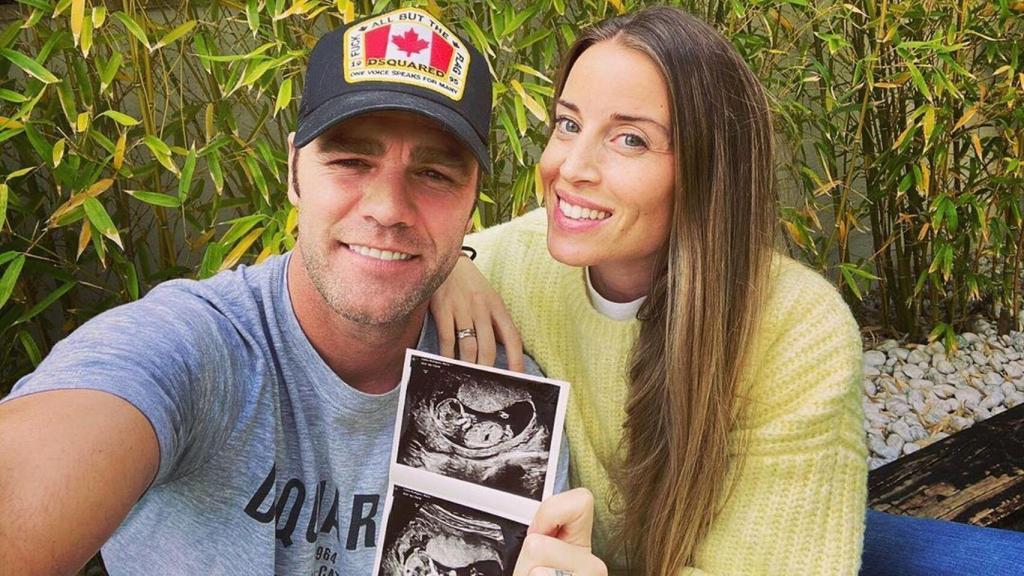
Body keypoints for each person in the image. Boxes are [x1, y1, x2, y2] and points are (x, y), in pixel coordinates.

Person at [0, 8, 604, 576]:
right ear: (293, 172)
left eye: (434, 174)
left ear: (475, 198)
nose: (388, 208)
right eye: (349, 160)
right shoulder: (197, 348)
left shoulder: (498, 397)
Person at [430, 6, 868, 575]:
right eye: (568, 124)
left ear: (708, 171)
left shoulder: (798, 332)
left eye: (630, 139)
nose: (572, 168)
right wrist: (445, 263)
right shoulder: (506, 263)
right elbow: (367, 265)